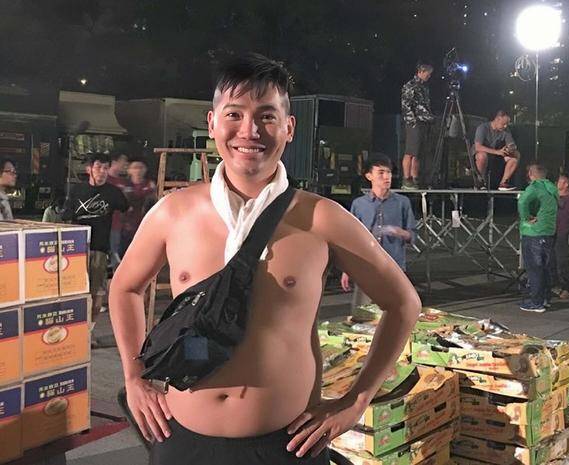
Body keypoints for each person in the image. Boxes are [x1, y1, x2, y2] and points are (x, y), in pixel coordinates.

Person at [109, 53, 420, 465]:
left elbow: (403, 303)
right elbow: (125, 287)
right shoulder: (174, 211)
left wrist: (357, 399)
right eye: (234, 114)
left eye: (266, 116)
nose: (249, 130)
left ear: (289, 127)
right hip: (182, 440)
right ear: (212, 123)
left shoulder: (322, 218)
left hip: (286, 446)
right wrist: (134, 376)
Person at [62, 152, 129, 329]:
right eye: (98, 167)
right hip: (77, 249)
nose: (102, 171)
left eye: (106, 168)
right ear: (89, 169)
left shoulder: (113, 193)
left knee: (97, 292)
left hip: (100, 249)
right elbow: (66, 216)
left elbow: (126, 209)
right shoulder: (77, 191)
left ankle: (89, 330)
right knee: (75, 290)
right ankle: (73, 328)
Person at [341, 157, 417, 310]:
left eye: (389, 172)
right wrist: (346, 270)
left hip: (394, 265)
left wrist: (399, 232)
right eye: (381, 173)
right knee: (362, 312)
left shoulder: (402, 202)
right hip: (366, 265)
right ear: (369, 176)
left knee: (393, 311)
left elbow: (412, 235)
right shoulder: (359, 204)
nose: (386, 177)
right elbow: (351, 240)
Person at [518, 164, 558, 313]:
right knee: (546, 268)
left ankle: (536, 302)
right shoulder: (552, 188)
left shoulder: (534, 187)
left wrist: (526, 217)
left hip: (534, 232)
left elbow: (522, 202)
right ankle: (546, 299)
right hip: (549, 231)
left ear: (530, 174)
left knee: (535, 269)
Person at [401, 62, 435, 189]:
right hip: (414, 123)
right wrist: (412, 121)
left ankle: (415, 178)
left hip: (424, 122)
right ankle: (406, 178)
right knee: (410, 151)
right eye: (428, 74)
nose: (429, 76)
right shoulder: (410, 85)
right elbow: (406, 105)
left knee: (418, 152)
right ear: (421, 72)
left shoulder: (424, 88)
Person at [473, 110, 520, 190]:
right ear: (497, 119)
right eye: (504, 124)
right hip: (483, 155)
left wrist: (510, 149)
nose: (505, 126)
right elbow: (478, 147)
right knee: (482, 156)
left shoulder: (506, 130)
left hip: (498, 156)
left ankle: (503, 183)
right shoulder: (483, 128)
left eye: (507, 124)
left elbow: (511, 144)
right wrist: (497, 152)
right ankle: (480, 182)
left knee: (515, 156)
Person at [120, 157, 156, 257]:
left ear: (145, 169)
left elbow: (154, 203)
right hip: (125, 227)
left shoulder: (150, 185)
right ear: (129, 170)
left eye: (141, 167)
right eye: (135, 167)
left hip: (145, 225)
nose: (138, 171)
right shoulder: (124, 185)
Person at [551, 174, 569, 299]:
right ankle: (554, 285)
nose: (557, 183)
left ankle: (567, 287)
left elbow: (563, 214)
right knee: (551, 260)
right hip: (552, 232)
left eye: (560, 181)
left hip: (562, 233)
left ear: (566, 184)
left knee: (563, 261)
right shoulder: (555, 197)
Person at [107, 153, 129, 268]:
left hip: (119, 224)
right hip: (106, 223)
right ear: (114, 162)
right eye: (123, 162)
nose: (125, 165)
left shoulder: (124, 182)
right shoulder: (104, 180)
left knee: (116, 253)